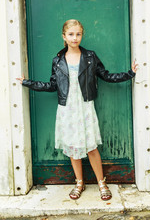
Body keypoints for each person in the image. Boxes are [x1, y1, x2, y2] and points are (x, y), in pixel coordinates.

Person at [16, 19, 138, 201]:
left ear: (82, 35)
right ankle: (79, 182)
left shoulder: (90, 56)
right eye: (71, 34)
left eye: (78, 34)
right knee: (73, 148)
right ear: (64, 36)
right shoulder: (57, 60)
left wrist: (130, 73)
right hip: (67, 108)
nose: (75, 38)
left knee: (91, 147)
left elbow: (106, 75)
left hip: (85, 107)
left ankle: (101, 183)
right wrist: (28, 83)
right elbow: (52, 85)